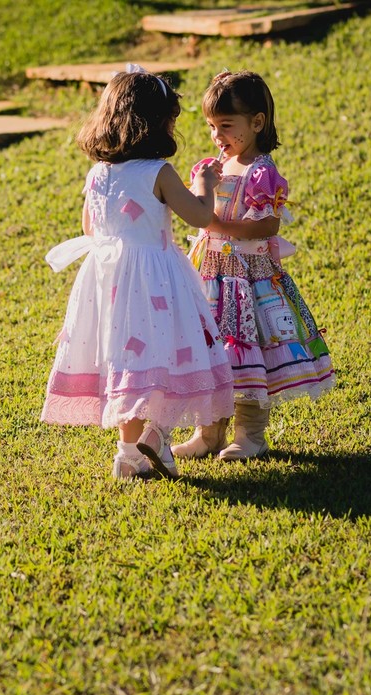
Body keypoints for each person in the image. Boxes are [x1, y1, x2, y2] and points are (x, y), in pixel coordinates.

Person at [41, 65, 234, 480]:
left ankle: (129, 455)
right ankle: (157, 434)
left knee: (128, 360)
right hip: (155, 278)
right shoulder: (158, 172)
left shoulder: (98, 173)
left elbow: (90, 228)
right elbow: (200, 216)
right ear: (155, 125)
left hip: (107, 280)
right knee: (165, 351)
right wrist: (205, 182)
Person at [174, 70, 335, 461]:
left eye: (226, 125)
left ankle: (251, 434)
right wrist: (202, 188)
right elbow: (196, 208)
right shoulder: (214, 166)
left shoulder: (261, 172)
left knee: (250, 350)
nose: (217, 135)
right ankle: (208, 432)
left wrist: (217, 224)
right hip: (212, 277)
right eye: (211, 126)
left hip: (249, 280)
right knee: (214, 353)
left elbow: (266, 225)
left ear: (257, 122)